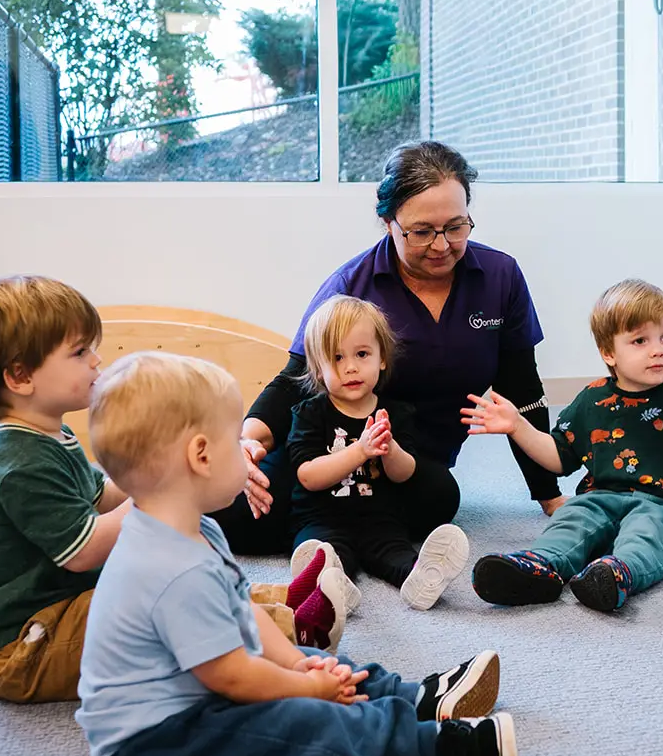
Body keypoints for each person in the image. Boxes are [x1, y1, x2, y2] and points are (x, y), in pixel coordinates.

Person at [76, 351, 515, 756]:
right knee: (301, 726)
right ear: (201, 456)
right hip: (159, 741)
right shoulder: (171, 569)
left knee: (306, 655)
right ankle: (437, 746)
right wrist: (307, 688)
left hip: (198, 692)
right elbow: (233, 678)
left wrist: (293, 664)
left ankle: (414, 697)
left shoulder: (196, 528)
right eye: (236, 439)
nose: (255, 451)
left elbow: (242, 609)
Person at [214, 141, 565, 556]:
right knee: (233, 516)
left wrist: (550, 496)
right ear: (388, 223)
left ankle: (340, 531)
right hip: (330, 451)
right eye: (421, 232)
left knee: (440, 502)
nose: (441, 245)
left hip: (409, 462)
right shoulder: (351, 286)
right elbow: (294, 382)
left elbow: (521, 388)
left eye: (456, 227)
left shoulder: (500, 277)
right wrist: (248, 442)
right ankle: (335, 534)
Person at [462, 279, 663, 612]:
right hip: (600, 496)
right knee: (572, 516)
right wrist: (518, 426)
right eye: (640, 340)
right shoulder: (592, 399)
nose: (658, 349)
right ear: (609, 352)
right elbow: (559, 457)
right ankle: (541, 565)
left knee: (648, 534)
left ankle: (617, 573)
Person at [0, 276, 132, 703]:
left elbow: (100, 496)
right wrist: (161, 497)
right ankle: (283, 630)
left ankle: (288, 605)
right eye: (80, 352)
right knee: (159, 611)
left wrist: (159, 476)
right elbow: (84, 551)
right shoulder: (19, 460)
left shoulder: (47, 433)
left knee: (175, 583)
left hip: (62, 610)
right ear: (20, 376)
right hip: (22, 646)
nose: (97, 361)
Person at [287, 294, 470, 616]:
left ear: (382, 358)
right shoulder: (310, 414)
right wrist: (360, 450)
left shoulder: (395, 413)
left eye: (361, 354)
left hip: (381, 516)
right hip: (323, 517)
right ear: (318, 369)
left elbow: (404, 474)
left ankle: (420, 577)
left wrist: (390, 449)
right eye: (337, 358)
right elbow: (308, 476)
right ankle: (330, 583)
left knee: (395, 552)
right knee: (325, 551)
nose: (351, 367)